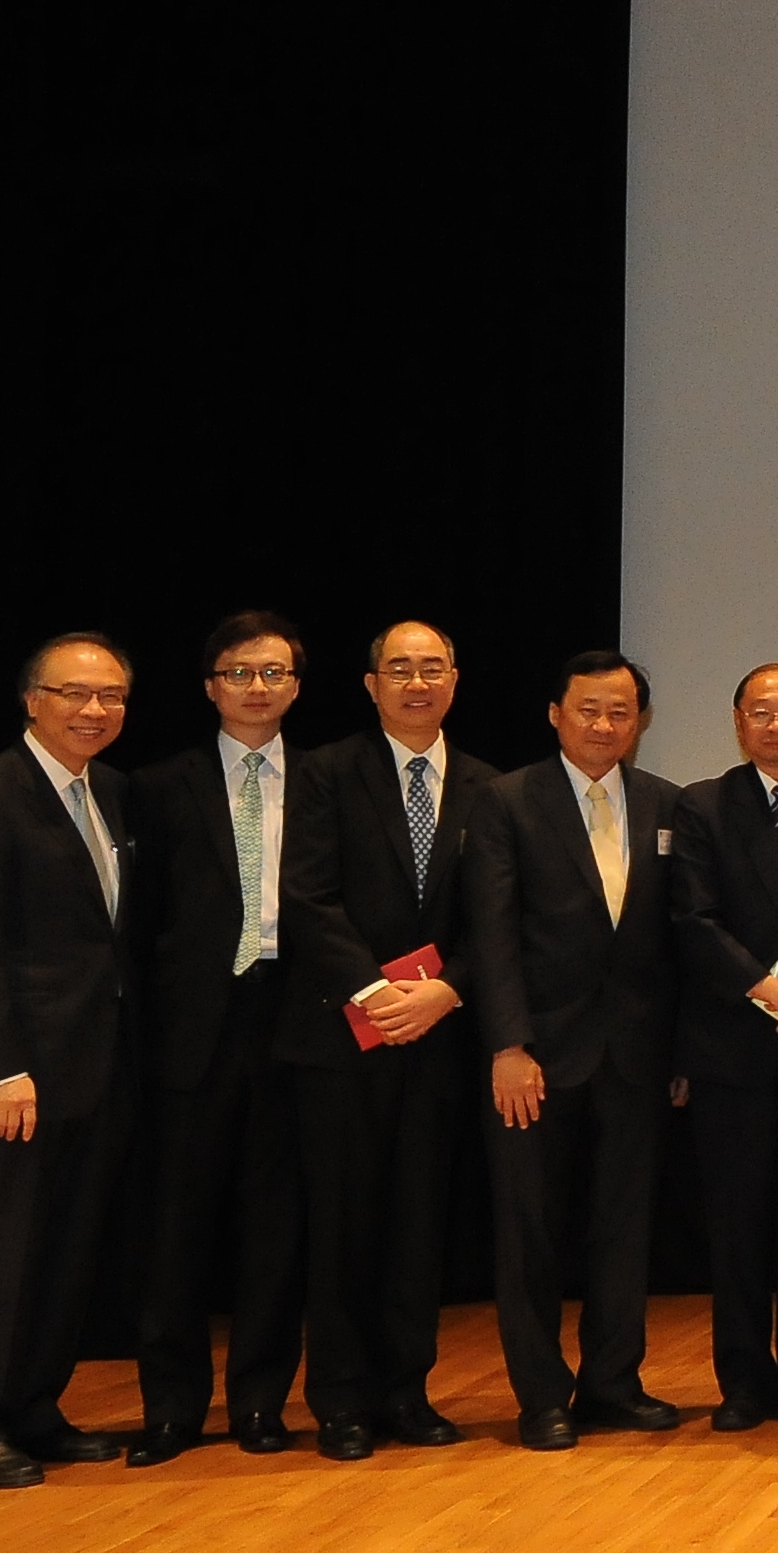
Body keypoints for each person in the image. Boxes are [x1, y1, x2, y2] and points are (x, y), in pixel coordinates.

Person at [0, 631, 143, 1487]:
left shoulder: (113, 793)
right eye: (75, 693)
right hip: (13, 1076)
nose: (95, 710)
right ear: (31, 699)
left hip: (97, 1063)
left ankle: (34, 1407)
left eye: (112, 695)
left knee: (66, 1248)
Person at [278, 619, 491, 1459]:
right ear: (370, 684)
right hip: (343, 1040)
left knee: (418, 1225)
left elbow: (495, 917)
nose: (415, 682)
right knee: (342, 1224)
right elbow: (307, 895)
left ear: (454, 679)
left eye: (431, 667)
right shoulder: (326, 773)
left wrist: (445, 991)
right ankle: (338, 1400)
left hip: (439, 1035)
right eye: (398, 668)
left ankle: (407, 1392)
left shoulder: (489, 785)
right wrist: (374, 992)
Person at [462, 650, 685, 1450]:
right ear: (555, 713)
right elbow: (490, 934)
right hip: (536, 1060)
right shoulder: (506, 801)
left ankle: (613, 1384)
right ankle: (541, 1395)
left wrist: (680, 1053)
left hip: (636, 1058)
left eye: (620, 712)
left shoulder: (665, 804)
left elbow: (673, 942)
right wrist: (508, 1043)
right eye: (588, 709)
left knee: (623, 1230)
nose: (604, 725)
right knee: (531, 1233)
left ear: (640, 721)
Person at [123, 613, 313, 1465]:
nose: (257, 687)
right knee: (174, 1227)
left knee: (277, 1227)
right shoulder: (157, 785)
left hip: (294, 1019)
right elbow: (138, 922)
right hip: (191, 1027)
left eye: (274, 672)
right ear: (209, 685)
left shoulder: (328, 780)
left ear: (297, 686)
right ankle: (170, 1407)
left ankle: (262, 1403)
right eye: (240, 672)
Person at [665, 663, 778, 1432]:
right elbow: (693, 920)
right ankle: (741, 1380)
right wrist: (775, 995)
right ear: (738, 722)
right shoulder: (700, 806)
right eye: (760, 712)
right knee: (735, 1225)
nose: (777, 725)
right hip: (732, 1049)